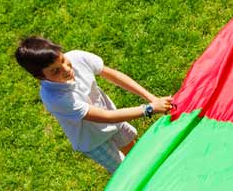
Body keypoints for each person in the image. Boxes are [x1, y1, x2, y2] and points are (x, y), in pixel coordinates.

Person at [14, 36, 174, 174]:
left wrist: (151, 98)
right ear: (40, 77)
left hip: (115, 121)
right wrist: (149, 109)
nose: (66, 69)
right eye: (55, 71)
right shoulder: (55, 98)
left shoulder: (77, 57)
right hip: (93, 141)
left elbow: (114, 75)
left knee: (135, 152)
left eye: (62, 60)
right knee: (126, 171)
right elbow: (106, 117)